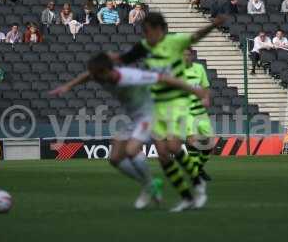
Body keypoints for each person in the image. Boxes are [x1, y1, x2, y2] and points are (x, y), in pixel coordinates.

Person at [49, 52, 210, 210]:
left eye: (97, 75)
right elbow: (86, 76)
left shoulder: (131, 77)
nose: (95, 78)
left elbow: (164, 79)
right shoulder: (100, 75)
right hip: (134, 118)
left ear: (107, 70)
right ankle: (150, 185)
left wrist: (194, 90)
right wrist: (68, 86)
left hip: (150, 114)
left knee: (134, 150)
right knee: (115, 158)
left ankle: (185, 184)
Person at [110, 13, 225, 212]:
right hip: (156, 105)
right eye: (143, 31)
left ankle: (198, 182)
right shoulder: (145, 46)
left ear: (159, 29)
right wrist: (111, 59)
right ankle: (187, 197)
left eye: (147, 30)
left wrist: (212, 25)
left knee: (172, 145)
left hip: (178, 102)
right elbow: (126, 58)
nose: (145, 35)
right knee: (163, 155)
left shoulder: (176, 41)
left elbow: (196, 36)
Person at [182, 48, 214, 204]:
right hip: (185, 111)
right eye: (184, 55)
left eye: (188, 54)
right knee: (193, 140)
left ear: (192, 56)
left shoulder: (199, 68)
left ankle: (198, 168)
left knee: (210, 143)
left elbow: (205, 87)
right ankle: (195, 175)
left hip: (200, 111)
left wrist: (206, 98)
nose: (186, 57)